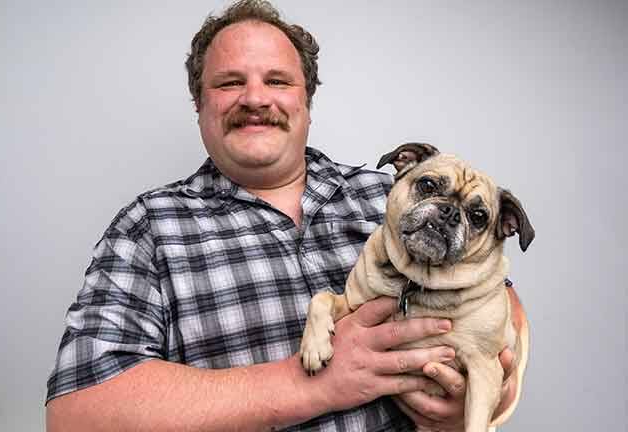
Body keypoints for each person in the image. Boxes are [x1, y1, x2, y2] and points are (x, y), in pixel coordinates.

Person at [46, 1, 524, 430]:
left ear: (306, 101)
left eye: (277, 81)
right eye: (230, 82)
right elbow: (75, 415)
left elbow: (501, 309)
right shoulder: (149, 228)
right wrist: (306, 384)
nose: (255, 98)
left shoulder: (391, 198)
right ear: (199, 103)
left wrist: (487, 399)